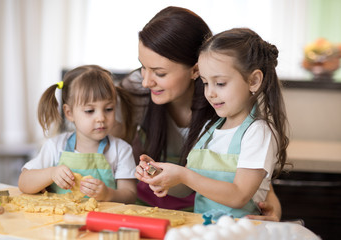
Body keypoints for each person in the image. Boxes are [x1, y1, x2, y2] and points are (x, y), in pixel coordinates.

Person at [117, 6, 281, 220]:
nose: (147, 81)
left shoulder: (228, 105)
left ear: (196, 69)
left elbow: (253, 180)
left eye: (160, 73)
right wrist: (156, 173)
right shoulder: (138, 89)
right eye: (143, 67)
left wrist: (273, 211)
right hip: (157, 211)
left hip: (208, 220)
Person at [18, 65, 137, 203]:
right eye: (90, 111)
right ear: (69, 113)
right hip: (61, 220)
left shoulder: (121, 150)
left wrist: (108, 195)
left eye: (109, 109)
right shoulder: (55, 147)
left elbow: (130, 196)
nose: (101, 118)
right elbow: (23, 183)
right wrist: (51, 173)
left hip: (103, 221)